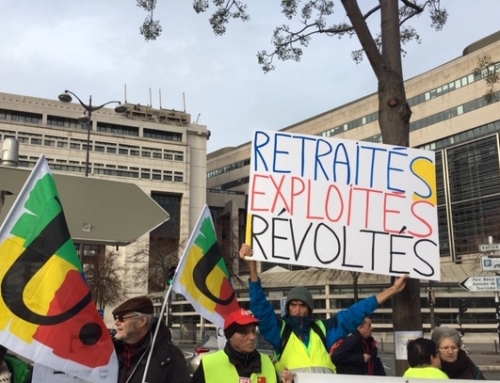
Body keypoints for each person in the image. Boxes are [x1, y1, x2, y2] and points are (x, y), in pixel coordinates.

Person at [239, 243, 409, 377]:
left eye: (302, 305)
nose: (297, 310)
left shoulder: (322, 330)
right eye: (293, 305)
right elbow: (260, 306)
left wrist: (392, 290)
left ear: (309, 309)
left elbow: (355, 313)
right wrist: (253, 267)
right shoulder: (280, 331)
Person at [191, 308, 282, 383]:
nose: (252, 337)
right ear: (230, 336)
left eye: (253, 331)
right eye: (244, 332)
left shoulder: (268, 363)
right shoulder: (208, 364)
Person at [112, 296, 190, 383]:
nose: (116, 323)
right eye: (116, 317)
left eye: (122, 318)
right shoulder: (111, 351)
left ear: (142, 321)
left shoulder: (170, 357)